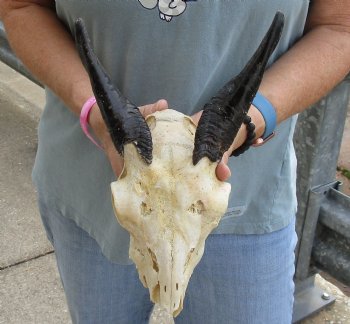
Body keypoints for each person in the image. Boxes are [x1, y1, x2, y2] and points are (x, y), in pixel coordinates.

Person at [1, 1, 349, 323]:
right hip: (91, 197)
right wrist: (93, 109)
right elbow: (21, 5)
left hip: (244, 207)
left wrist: (249, 118)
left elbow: (339, 25)